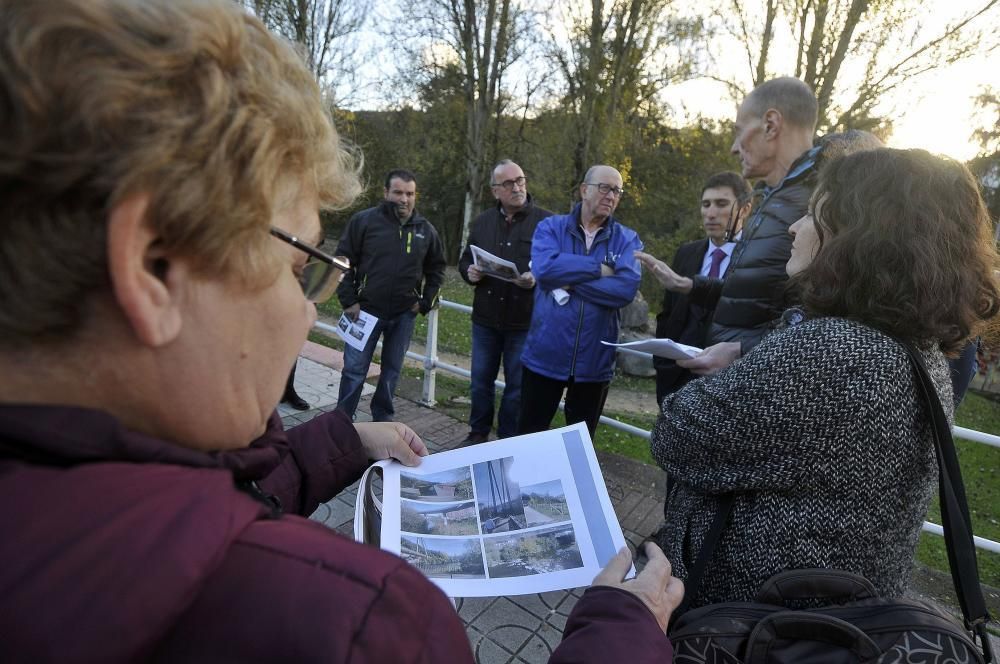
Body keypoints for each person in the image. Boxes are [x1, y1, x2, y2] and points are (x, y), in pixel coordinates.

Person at [0, 1, 685, 660]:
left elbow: (181, 517)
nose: (306, 311)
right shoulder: (366, 624)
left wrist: (333, 444)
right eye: (300, 266)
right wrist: (619, 632)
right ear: (154, 267)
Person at [650, 148, 999, 611]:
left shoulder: (831, 350)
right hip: (831, 621)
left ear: (861, 236)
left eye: (813, 214)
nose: (794, 228)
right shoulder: (917, 349)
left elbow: (674, 434)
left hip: (753, 624)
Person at [637, 77, 819, 376]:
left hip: (763, 388)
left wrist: (744, 351)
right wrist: (690, 286)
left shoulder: (820, 203)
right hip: (738, 382)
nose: (735, 148)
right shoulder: (773, 199)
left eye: (738, 132)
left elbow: (824, 319)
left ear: (771, 125)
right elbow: (759, 295)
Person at [518, 165, 643, 439]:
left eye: (617, 191)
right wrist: (599, 269)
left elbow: (624, 290)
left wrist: (570, 280)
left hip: (594, 364)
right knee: (527, 437)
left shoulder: (627, 239)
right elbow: (545, 271)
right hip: (545, 356)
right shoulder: (550, 228)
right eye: (605, 188)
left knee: (580, 446)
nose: (612, 196)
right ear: (584, 190)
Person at [334, 169, 447, 422]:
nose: (404, 199)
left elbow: (437, 268)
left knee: (391, 372)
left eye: (410, 193)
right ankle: (341, 422)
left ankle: (382, 421)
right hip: (364, 313)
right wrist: (349, 300)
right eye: (398, 193)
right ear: (385, 193)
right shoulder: (363, 222)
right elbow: (341, 261)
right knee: (354, 371)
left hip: (403, 315)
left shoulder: (425, 230)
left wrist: (425, 301)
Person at [458, 160, 553, 444]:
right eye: (509, 184)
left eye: (520, 180)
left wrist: (536, 277)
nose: (517, 187)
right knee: (480, 382)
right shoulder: (483, 221)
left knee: (517, 387)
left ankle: (508, 440)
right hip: (486, 319)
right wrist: (470, 272)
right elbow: (465, 260)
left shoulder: (546, 223)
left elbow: (557, 266)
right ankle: (477, 434)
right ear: (495, 191)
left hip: (523, 321)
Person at [652, 172, 750, 404]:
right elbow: (667, 315)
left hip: (725, 388)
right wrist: (663, 368)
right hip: (673, 383)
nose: (711, 213)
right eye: (706, 204)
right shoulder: (686, 253)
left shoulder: (757, 260)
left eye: (721, 204)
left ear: (744, 209)